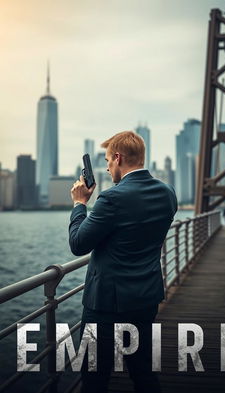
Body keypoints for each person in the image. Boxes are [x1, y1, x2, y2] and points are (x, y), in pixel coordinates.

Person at [69, 131, 177, 393]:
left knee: (95, 379)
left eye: (107, 160)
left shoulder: (112, 197)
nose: (106, 167)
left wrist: (80, 204)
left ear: (118, 158)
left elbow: (78, 243)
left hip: (105, 306)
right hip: (145, 298)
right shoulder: (167, 193)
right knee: (143, 372)